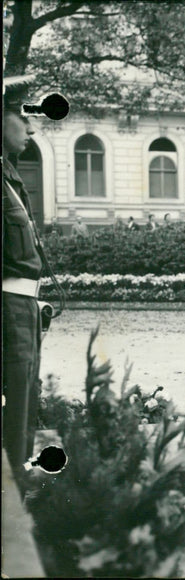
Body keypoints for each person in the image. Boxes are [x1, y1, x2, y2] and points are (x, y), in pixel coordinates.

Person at [2, 86, 46, 473]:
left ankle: (16, 490)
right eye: (24, 117)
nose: (31, 128)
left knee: (26, 400)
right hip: (8, 311)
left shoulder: (10, 177)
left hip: (24, 307)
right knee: (14, 404)